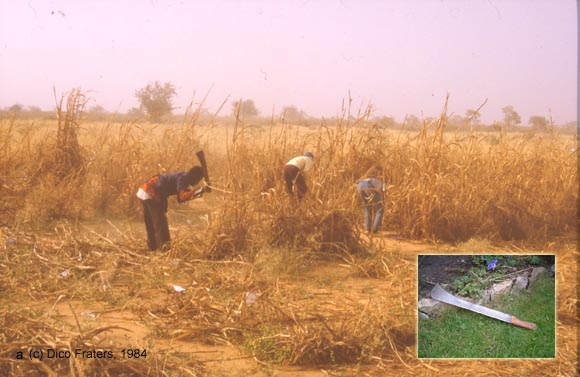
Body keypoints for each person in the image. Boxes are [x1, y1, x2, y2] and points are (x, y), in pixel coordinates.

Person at [136, 166, 209, 251]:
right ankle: (164, 250)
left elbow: (180, 197)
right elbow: (182, 197)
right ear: (194, 177)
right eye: (198, 180)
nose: (197, 183)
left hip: (142, 192)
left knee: (151, 223)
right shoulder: (183, 178)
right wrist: (201, 190)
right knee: (160, 223)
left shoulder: (183, 177)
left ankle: (152, 248)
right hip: (150, 192)